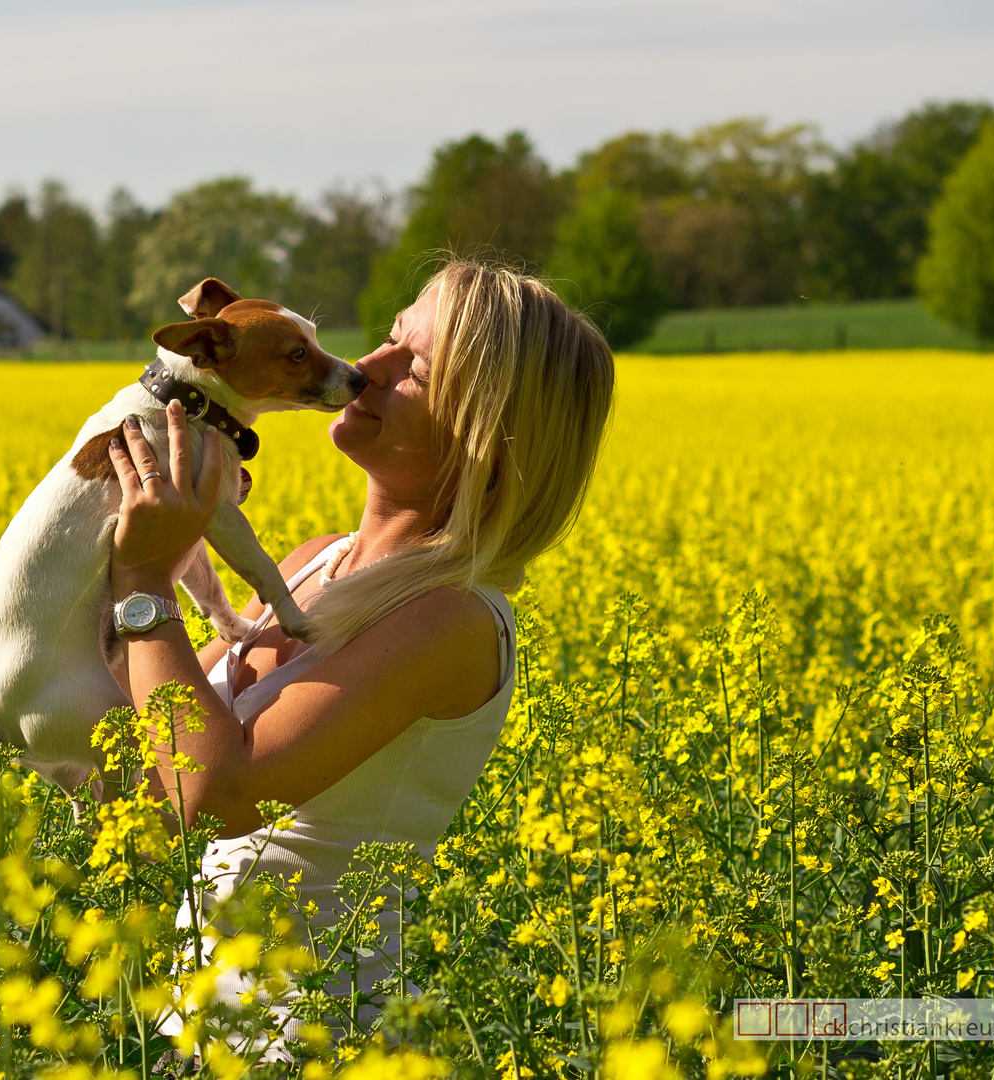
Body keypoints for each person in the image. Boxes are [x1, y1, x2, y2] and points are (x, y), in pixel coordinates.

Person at [103, 258, 616, 1043]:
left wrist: (143, 580)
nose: (367, 369)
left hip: (310, 1039)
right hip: (196, 1033)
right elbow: (146, 763)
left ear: (486, 430)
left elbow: (216, 795)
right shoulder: (313, 562)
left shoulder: (449, 619)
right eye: (387, 338)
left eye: (417, 369)